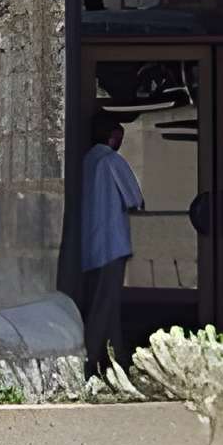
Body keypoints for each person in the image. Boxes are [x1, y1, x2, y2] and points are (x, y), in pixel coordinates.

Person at [79, 111, 143, 373]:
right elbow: (135, 199)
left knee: (103, 301)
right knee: (106, 304)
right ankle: (91, 358)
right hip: (113, 244)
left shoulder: (85, 161)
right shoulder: (111, 161)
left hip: (90, 247)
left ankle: (118, 356)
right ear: (113, 136)